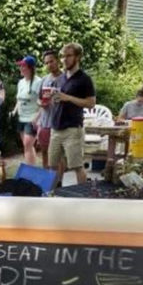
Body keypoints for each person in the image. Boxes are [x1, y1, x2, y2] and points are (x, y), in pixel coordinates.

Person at [49, 43, 96, 185]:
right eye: (63, 56)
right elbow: (56, 100)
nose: (64, 59)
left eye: (69, 56)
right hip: (56, 128)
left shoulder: (84, 79)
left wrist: (68, 98)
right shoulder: (59, 79)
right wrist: (52, 97)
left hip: (72, 129)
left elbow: (91, 103)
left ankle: (82, 196)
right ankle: (54, 194)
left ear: (78, 57)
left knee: (76, 166)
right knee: (52, 166)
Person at [33, 50, 62, 168]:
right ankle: (46, 177)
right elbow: (37, 99)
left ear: (58, 61)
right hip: (45, 122)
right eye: (46, 63)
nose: (49, 65)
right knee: (44, 151)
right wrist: (41, 103)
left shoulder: (65, 79)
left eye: (51, 61)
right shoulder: (44, 80)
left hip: (59, 123)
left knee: (58, 155)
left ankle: (59, 181)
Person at [12, 55, 41, 165]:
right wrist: (14, 111)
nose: (21, 68)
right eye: (20, 66)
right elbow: (18, 100)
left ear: (30, 68)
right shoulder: (21, 82)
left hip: (32, 118)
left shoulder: (38, 82)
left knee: (28, 143)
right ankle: (31, 167)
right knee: (26, 145)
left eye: (23, 66)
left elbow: (43, 102)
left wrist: (37, 118)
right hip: (21, 117)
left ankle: (30, 171)